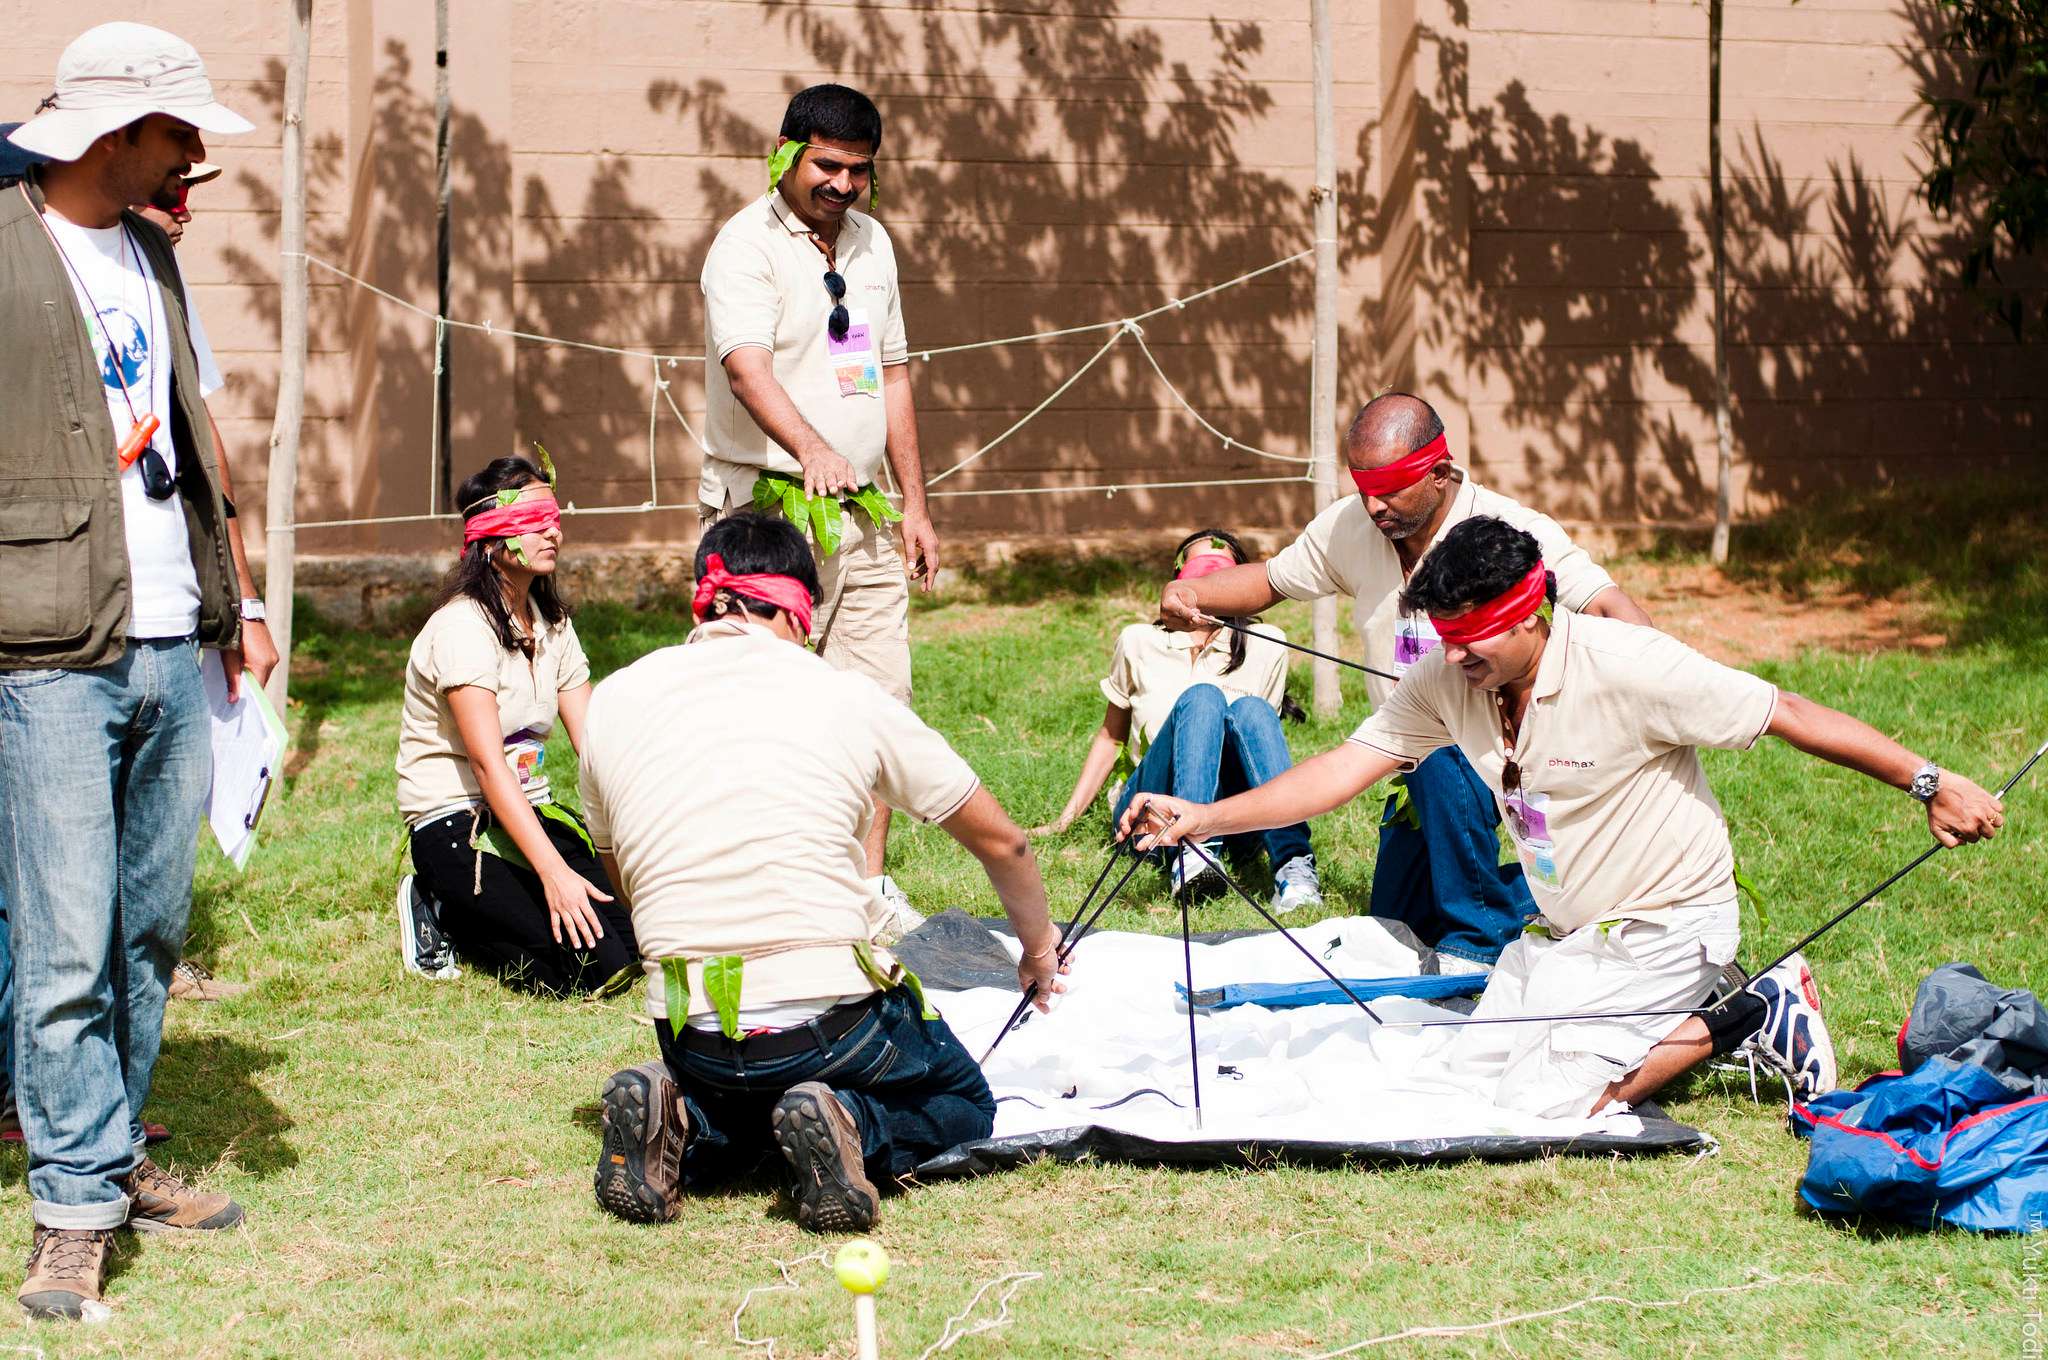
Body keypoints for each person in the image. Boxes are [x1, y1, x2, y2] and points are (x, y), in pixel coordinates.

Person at [1124, 516, 2005, 1119]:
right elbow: (1341, 771)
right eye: (1444, 636)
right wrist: (1204, 815)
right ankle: (1706, 1013)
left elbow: (1791, 713)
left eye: (1476, 638)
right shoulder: (1445, 676)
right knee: (1459, 1072)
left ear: (1530, 614)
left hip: (1671, 926)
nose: (1455, 657)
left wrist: (1932, 782)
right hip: (1567, 933)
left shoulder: (1630, 665)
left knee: (1553, 1102)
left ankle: (1749, 1010)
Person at [583, 512, 1063, 1233]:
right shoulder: (847, 695)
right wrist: (1037, 947)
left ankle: (681, 1116)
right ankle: (850, 1121)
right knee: (963, 1103)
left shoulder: (612, 701)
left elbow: (621, 870)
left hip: (689, 1027)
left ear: (705, 597)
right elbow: (1005, 844)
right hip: (830, 1022)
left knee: (750, 1105)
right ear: (800, 609)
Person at [0, 22, 263, 1321]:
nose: (196, 154)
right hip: (46, 653)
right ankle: (68, 1217)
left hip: (176, 639)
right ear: (113, 136)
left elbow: (197, 424)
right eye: (178, 133)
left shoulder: (153, 256)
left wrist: (244, 596)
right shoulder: (1, 252)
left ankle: (110, 1154)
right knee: (60, 946)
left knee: (148, 930)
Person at [1160, 392, 1650, 971]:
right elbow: (1270, 580)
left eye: (1389, 489)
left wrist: (1653, 679)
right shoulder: (1352, 524)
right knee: (1396, 922)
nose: (1373, 505)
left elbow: (1606, 603)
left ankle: (1481, 942)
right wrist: (1190, 593)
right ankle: (1568, 897)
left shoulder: (1507, 529)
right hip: (1408, 753)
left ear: (1440, 474)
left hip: (1516, 747)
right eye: (1364, 488)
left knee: (1448, 790)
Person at [699, 83, 938, 932]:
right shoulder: (744, 247)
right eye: (826, 165)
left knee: (874, 702)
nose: (842, 184)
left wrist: (914, 501)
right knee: (759, 703)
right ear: (785, 152)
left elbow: (896, 371)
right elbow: (746, 368)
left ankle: (864, 891)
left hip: (867, 511)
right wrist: (813, 451)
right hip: (766, 514)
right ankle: (757, 887)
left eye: (859, 171)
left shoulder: (874, 245)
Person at [393, 457, 637, 996]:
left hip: (531, 810)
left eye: (554, 516)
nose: (554, 530)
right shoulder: (462, 627)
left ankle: (482, 905)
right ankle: (439, 907)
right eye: (534, 520)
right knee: (586, 974)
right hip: (459, 823)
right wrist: (554, 874)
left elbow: (595, 744)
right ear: (491, 538)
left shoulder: (554, 626)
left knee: (633, 949)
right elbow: (486, 764)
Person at [1035, 528, 1323, 911]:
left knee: (1252, 710)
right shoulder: (1139, 641)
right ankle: (1193, 856)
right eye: (1198, 568)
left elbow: (1257, 749)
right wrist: (1066, 818)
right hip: (1148, 812)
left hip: (1233, 818)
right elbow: (1110, 737)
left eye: (1219, 573)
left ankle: (1293, 867)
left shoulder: (1267, 643)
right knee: (1202, 698)